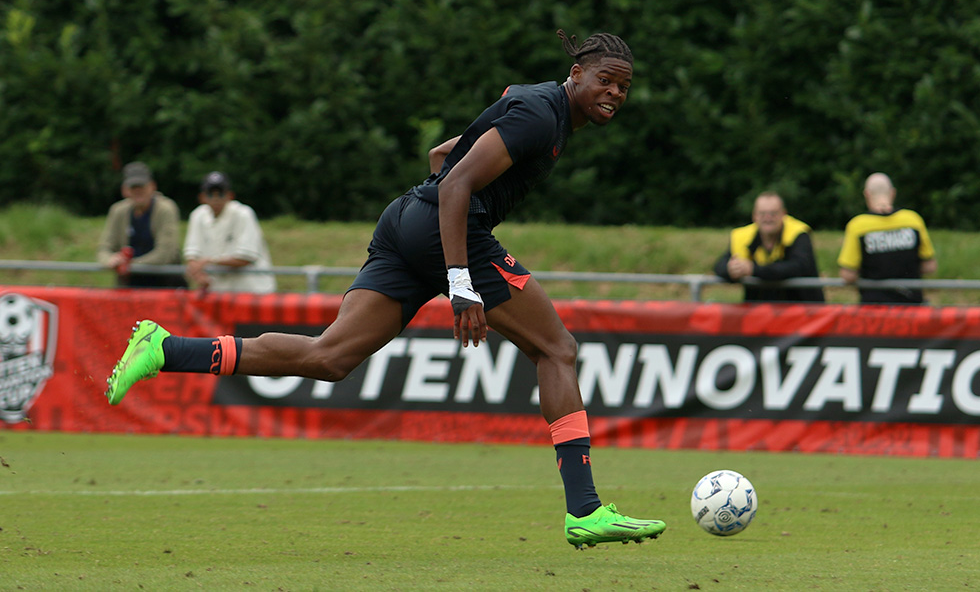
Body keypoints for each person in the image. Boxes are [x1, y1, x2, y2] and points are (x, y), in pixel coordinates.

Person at [105, 30, 665, 549]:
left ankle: (164, 348)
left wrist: (442, 242)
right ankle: (585, 510)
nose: (614, 92)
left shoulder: (539, 106)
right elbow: (459, 183)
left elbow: (442, 157)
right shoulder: (542, 117)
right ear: (576, 74)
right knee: (557, 348)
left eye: (623, 86)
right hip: (446, 229)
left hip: (406, 220)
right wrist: (460, 281)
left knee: (329, 356)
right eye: (605, 80)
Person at [837, 172, 937, 304]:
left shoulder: (858, 226)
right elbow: (930, 267)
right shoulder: (913, 220)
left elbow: (848, 275)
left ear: (866, 194)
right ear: (893, 193)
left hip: (874, 309)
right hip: (911, 306)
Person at [713, 191, 824, 302]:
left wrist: (753, 269)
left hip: (802, 310)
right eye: (762, 214)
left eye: (773, 213)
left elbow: (799, 267)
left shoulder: (799, 234)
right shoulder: (741, 236)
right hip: (759, 311)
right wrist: (731, 269)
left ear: (783, 214)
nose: (767, 218)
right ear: (754, 216)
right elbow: (719, 266)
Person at [183, 171, 276, 294]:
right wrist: (198, 274)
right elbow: (192, 254)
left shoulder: (243, 214)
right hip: (219, 293)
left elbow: (245, 258)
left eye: (220, 194)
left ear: (230, 196)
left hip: (252, 292)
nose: (216, 199)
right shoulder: (197, 216)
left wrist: (209, 262)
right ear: (202, 197)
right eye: (211, 194)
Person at [96, 161, 186, 288]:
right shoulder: (118, 211)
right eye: (133, 187)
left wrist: (131, 265)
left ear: (152, 186)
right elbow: (104, 248)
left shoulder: (166, 209)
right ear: (125, 190)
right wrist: (111, 260)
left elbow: (166, 253)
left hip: (164, 284)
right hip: (129, 286)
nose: (138, 191)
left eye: (142, 186)